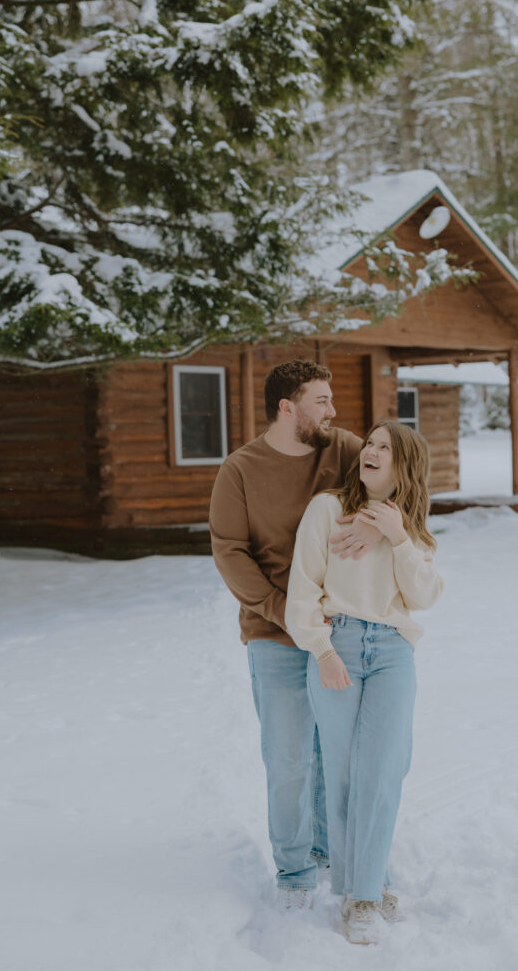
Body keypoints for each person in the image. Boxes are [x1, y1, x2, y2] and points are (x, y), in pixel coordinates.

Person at [209, 359, 379, 910]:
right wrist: (290, 614)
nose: (333, 411)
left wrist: (380, 524)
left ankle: (333, 850)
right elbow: (230, 552)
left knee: (337, 753)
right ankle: (295, 872)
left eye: (331, 401)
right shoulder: (240, 469)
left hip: (342, 630)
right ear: (288, 406)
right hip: (275, 631)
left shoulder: (344, 449)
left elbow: (394, 479)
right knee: (288, 757)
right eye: (322, 401)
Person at [285, 420, 443, 943]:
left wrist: (397, 535)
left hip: (394, 652)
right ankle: (368, 892)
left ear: (405, 466)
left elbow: (422, 595)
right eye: (371, 443)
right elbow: (303, 588)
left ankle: (363, 892)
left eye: (385, 448)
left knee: (384, 770)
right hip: (341, 646)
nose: (371, 451)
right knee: (347, 774)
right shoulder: (327, 510)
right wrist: (323, 651)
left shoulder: (411, 524)